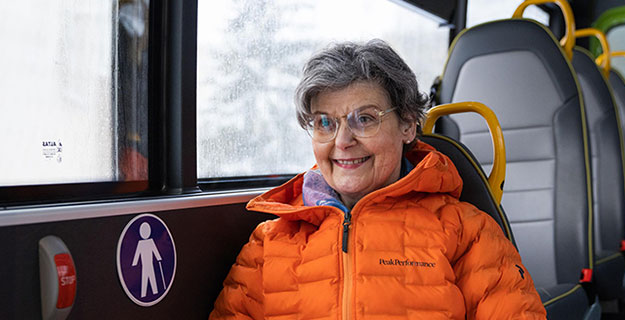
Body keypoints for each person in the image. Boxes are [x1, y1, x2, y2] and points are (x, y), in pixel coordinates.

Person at [210, 39, 546, 319]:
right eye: (325, 123)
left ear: (408, 125)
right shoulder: (269, 243)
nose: (342, 141)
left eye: (365, 119)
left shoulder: (465, 233)